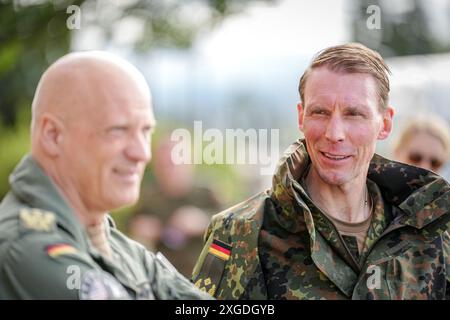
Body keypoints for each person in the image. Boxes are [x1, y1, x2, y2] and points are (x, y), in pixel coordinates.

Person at [192, 43, 450, 300]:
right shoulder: (240, 233)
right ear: (301, 117)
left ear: (384, 124)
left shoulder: (432, 234)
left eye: (354, 114)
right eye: (320, 112)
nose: (334, 133)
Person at [0, 51, 211, 300]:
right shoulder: (28, 249)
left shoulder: (116, 246)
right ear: (53, 135)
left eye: (145, 131)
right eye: (118, 130)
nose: (142, 153)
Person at [128, 138, 222, 276]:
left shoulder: (206, 194)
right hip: (164, 277)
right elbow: (132, 223)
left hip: (202, 278)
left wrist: (204, 221)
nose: (168, 170)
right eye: (163, 164)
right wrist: (141, 228)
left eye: (174, 163)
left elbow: (233, 226)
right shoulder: (149, 197)